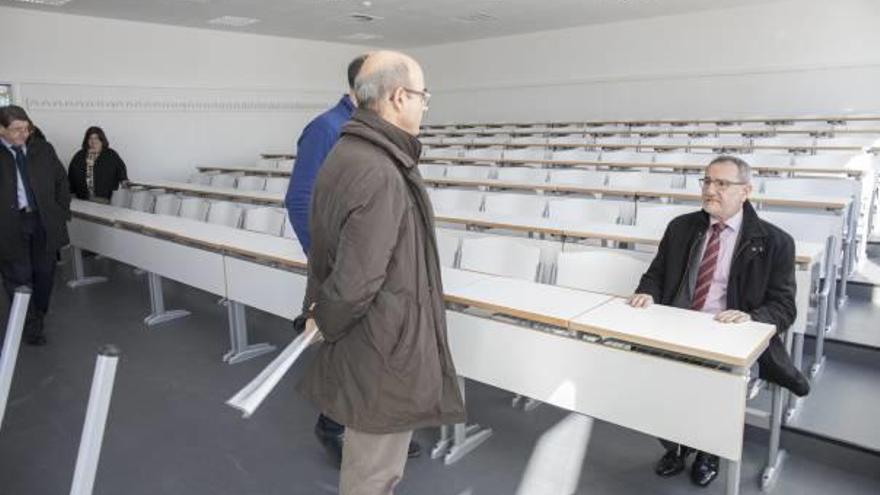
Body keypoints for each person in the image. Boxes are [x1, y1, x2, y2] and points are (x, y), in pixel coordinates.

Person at [297, 51, 465, 495]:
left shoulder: (347, 152)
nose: (424, 106)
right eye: (422, 96)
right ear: (397, 97)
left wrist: (320, 313)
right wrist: (326, 320)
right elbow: (356, 281)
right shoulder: (379, 169)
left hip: (371, 340)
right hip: (384, 347)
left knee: (370, 468)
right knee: (374, 475)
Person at [628, 155, 810, 488]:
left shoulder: (775, 242)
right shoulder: (681, 227)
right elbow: (654, 275)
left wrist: (751, 317)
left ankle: (709, 450)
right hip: (677, 326)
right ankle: (677, 444)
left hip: (727, 335)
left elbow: (785, 306)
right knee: (651, 372)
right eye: (707, 182)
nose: (711, 190)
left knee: (711, 380)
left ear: (746, 191)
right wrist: (648, 293)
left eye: (722, 184)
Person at [0, 105, 71, 346]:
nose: (23, 134)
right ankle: (29, 325)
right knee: (18, 277)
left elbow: (62, 181)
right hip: (9, 225)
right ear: (1, 129)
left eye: (26, 128)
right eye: (16, 129)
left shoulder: (43, 149)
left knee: (44, 274)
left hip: (43, 222)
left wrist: (60, 212)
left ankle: (37, 315)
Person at [285, 54, 368, 254]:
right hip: (339, 259)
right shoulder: (326, 128)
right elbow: (299, 200)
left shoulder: (367, 126)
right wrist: (325, 259)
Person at [67, 126, 128, 203]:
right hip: (81, 198)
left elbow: (121, 171)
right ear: (86, 140)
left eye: (96, 138)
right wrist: (70, 194)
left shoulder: (111, 155)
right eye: (90, 138)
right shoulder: (79, 155)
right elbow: (71, 176)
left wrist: (125, 182)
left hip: (103, 199)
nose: (93, 141)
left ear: (102, 140)